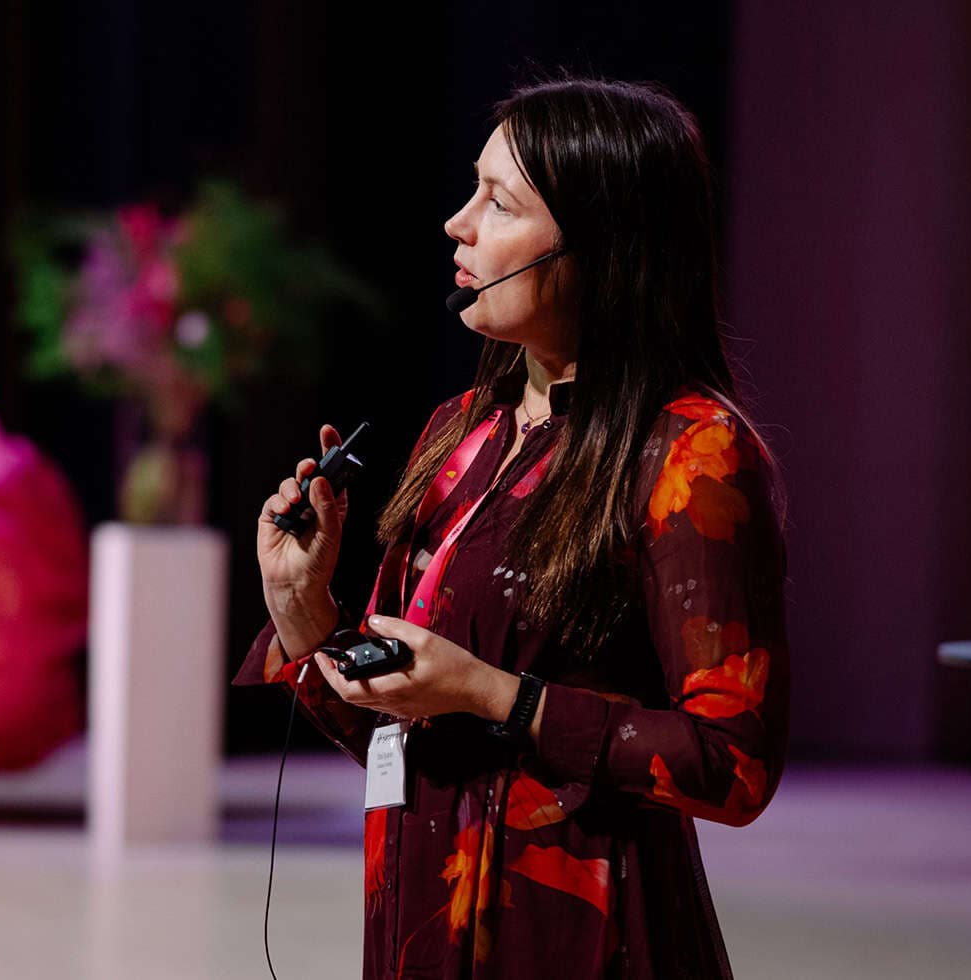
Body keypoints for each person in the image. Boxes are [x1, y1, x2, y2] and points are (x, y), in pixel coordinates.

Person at [237, 74, 790, 980]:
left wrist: (499, 696)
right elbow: (399, 735)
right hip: (423, 917)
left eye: (498, 202)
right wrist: (303, 612)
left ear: (600, 243)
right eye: (472, 191)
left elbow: (734, 766)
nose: (458, 224)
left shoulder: (691, 452)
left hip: (580, 933)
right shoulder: (465, 429)